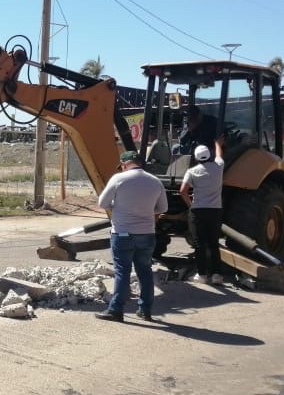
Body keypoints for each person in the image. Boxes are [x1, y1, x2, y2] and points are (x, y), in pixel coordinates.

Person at [96, 150, 169, 322]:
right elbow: (163, 208)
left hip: (122, 233)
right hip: (147, 234)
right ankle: (145, 310)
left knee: (122, 271)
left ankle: (116, 310)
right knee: (145, 271)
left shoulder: (118, 179)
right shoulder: (155, 181)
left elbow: (102, 203)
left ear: (124, 164)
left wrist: (118, 205)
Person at [179, 137, 226, 285]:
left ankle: (202, 275)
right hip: (215, 211)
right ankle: (217, 275)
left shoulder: (192, 171)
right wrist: (218, 144)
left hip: (198, 211)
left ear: (196, 157)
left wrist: (190, 204)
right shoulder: (218, 167)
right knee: (214, 243)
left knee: (200, 244)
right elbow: (219, 155)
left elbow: (182, 191)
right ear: (209, 155)